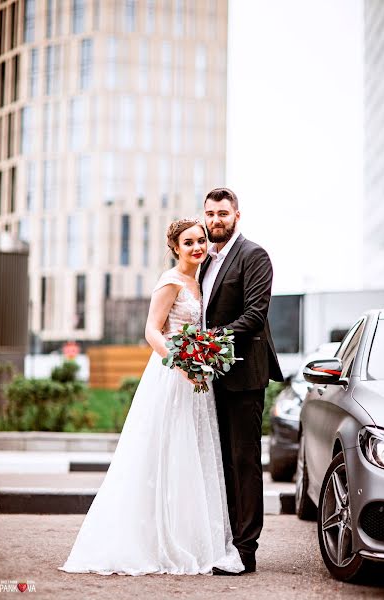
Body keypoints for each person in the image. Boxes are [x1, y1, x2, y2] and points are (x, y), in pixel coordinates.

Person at [59, 218, 244, 576]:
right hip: (172, 377)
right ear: (175, 247)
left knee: (191, 454)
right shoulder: (171, 281)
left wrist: (201, 361)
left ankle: (189, 537)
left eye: (201, 240)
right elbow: (151, 330)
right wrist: (180, 361)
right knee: (165, 451)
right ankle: (152, 541)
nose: (197, 247)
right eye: (188, 242)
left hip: (196, 380)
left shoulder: (200, 281)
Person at [200, 188, 284, 575]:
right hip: (211, 375)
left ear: (236, 215)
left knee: (244, 461)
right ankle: (227, 541)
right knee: (221, 463)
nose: (216, 220)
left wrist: (208, 343)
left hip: (244, 375)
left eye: (222, 213)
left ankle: (245, 551)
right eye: (210, 214)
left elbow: (255, 313)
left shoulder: (253, 255)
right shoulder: (205, 260)